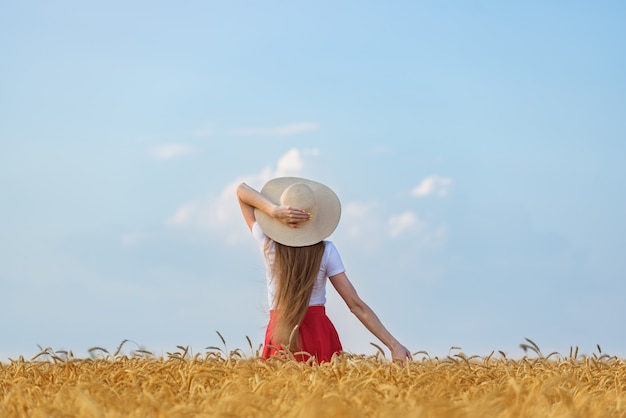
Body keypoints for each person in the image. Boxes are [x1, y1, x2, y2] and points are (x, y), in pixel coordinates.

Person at [237, 177, 412, 363]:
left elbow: (241, 191)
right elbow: (356, 305)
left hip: (281, 336)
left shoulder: (267, 244)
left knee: (281, 391)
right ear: (315, 218)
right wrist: (394, 345)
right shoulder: (327, 251)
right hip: (319, 335)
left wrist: (273, 210)